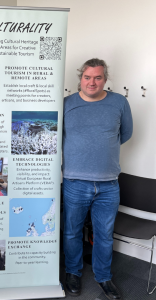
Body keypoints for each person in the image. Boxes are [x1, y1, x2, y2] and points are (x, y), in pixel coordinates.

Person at [62, 58, 133, 299]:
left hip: (109, 185)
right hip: (74, 183)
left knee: (104, 234)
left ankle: (103, 277)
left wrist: (100, 151)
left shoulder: (119, 102)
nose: (92, 82)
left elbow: (125, 133)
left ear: (105, 79)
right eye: (87, 77)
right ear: (80, 78)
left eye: (98, 77)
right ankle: (73, 272)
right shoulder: (66, 104)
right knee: (71, 232)